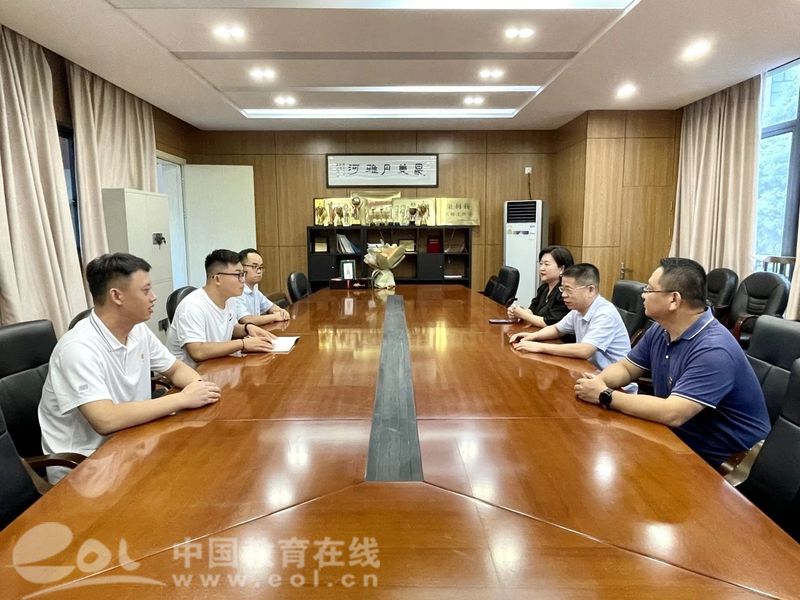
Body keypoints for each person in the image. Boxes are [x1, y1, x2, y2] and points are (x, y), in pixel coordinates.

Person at [38, 253, 222, 483]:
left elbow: (175, 369)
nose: (154, 297)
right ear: (117, 296)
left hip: (133, 441)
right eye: (146, 291)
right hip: (87, 467)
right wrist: (183, 399)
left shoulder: (137, 330)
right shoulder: (78, 348)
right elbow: (105, 420)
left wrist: (199, 388)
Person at [574, 257, 771, 468]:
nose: (643, 294)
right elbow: (627, 368)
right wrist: (599, 381)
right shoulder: (662, 328)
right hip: (678, 437)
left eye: (649, 289)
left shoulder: (714, 349)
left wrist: (605, 395)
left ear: (674, 300)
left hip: (727, 459)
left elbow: (673, 413)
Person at [509, 263, 633, 380]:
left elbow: (585, 350)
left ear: (591, 290)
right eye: (562, 289)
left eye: (569, 289)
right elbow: (557, 329)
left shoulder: (605, 313)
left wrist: (539, 347)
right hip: (587, 372)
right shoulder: (578, 310)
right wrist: (532, 336)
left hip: (613, 383)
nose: (563, 294)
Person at [166, 249, 275, 368]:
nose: (243, 280)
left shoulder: (230, 299)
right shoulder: (192, 306)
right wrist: (242, 344)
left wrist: (247, 328)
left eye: (243, 274)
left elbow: (231, 328)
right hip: (194, 374)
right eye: (238, 275)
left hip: (219, 366)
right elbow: (197, 351)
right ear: (218, 279)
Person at [507, 245, 574, 328]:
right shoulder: (544, 288)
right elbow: (532, 310)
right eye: (541, 264)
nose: (542, 268)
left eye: (546, 264)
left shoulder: (565, 293)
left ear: (561, 269)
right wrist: (516, 311)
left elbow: (550, 323)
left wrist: (523, 314)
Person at [235, 248, 290, 326]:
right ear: (241, 267)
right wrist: (274, 317)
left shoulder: (255, 290)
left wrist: (282, 311)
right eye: (254, 266)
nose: (259, 271)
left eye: (260, 267)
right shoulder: (236, 292)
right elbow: (246, 319)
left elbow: (271, 307)